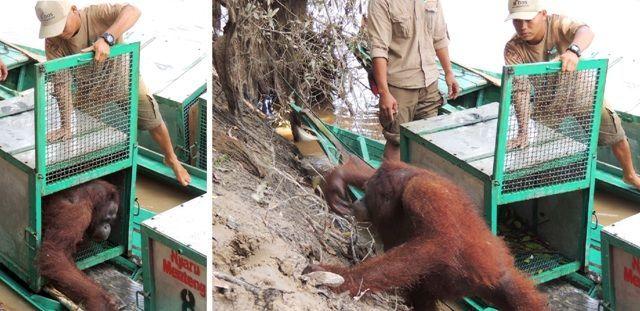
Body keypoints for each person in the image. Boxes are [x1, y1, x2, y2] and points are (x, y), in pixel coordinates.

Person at [35, 0, 191, 186]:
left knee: (153, 119)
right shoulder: (53, 42)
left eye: (61, 25)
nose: (59, 33)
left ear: (73, 10)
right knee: (83, 138)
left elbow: (133, 10)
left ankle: (171, 158)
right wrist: (66, 126)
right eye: (53, 29)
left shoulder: (95, 14)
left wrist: (107, 38)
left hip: (122, 79)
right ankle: (90, 179)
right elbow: (61, 84)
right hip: (89, 90)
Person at [503, 0, 640, 189]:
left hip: (580, 90)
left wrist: (573, 51)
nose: (523, 27)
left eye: (528, 20)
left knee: (615, 134)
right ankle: (542, 183)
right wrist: (523, 131)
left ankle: (630, 175)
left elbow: (586, 31)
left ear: (543, 14)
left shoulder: (557, 24)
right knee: (536, 146)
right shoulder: (513, 48)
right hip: (547, 102)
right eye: (517, 21)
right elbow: (521, 90)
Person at [368, 0, 459, 161]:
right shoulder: (382, 2)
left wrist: (449, 72)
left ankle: (417, 184)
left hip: (429, 84)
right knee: (396, 141)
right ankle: (390, 185)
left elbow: (439, 39)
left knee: (428, 140)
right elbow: (379, 49)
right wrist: (384, 92)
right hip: (399, 87)